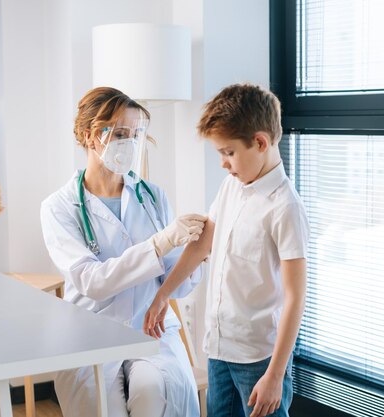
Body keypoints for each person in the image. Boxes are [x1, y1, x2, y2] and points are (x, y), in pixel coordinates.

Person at [143, 83, 309, 417]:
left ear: (260, 142)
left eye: (228, 153)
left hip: (259, 358)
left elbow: (295, 297)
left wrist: (275, 376)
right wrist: (164, 294)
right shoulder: (232, 186)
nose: (222, 163)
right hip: (219, 347)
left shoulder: (285, 208)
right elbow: (204, 242)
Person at [40, 86, 207, 417]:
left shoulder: (152, 196)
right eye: (119, 133)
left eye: (133, 134)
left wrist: (195, 257)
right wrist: (160, 244)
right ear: (90, 136)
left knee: (155, 392)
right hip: (91, 335)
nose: (128, 143)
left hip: (151, 327)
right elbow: (91, 282)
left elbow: (179, 282)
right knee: (105, 409)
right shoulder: (59, 207)